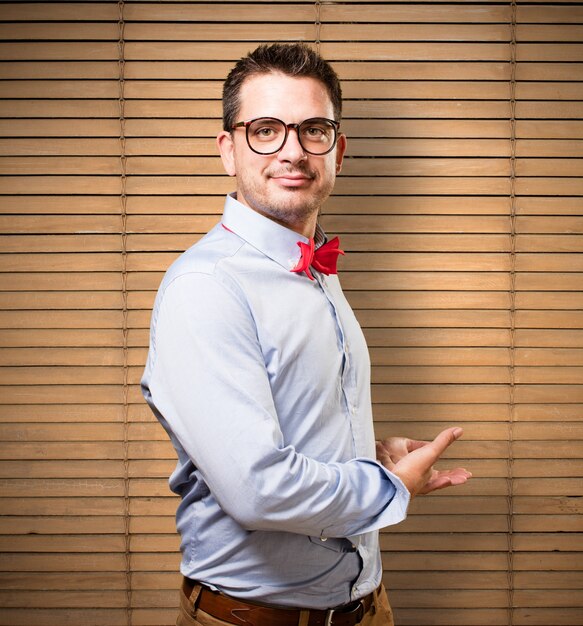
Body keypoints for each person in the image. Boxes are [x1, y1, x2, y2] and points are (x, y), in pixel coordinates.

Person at [141, 42, 471, 626]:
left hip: (367, 607)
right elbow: (258, 488)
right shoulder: (208, 285)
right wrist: (388, 485)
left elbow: (281, 434)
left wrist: (364, 453)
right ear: (228, 149)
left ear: (337, 150)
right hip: (252, 618)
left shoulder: (317, 271)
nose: (292, 151)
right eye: (265, 129)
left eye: (313, 129)